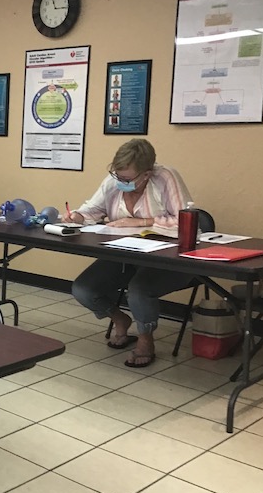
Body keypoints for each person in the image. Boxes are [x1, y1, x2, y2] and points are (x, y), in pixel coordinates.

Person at [65, 138, 194, 368]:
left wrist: (140, 222)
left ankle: (145, 339)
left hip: (167, 258)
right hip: (126, 255)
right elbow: (91, 210)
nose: (120, 182)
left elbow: (183, 222)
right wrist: (77, 216)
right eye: (117, 176)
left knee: (139, 290)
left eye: (127, 179)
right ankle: (119, 319)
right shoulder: (114, 180)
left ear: (146, 174)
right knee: (83, 289)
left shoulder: (164, 178)